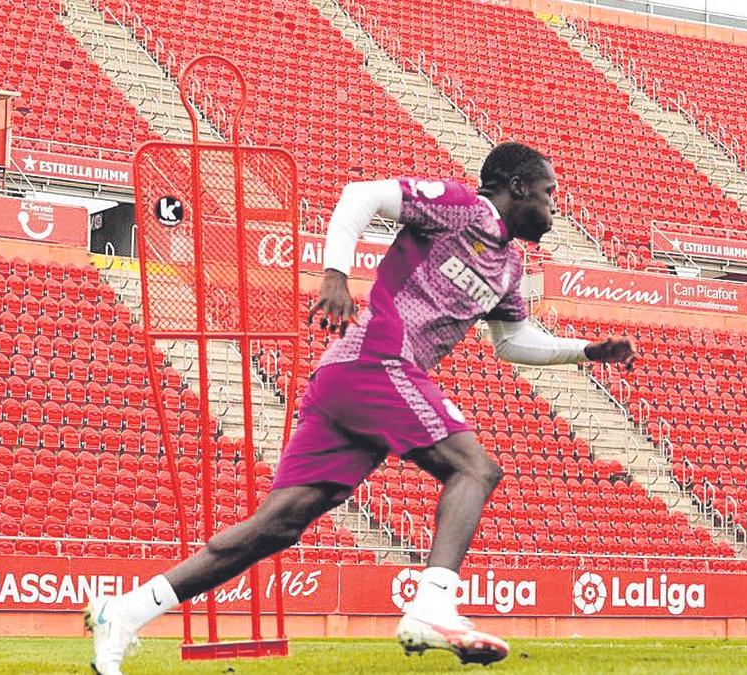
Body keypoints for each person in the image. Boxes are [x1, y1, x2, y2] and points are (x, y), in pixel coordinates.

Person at [86, 142, 638, 672]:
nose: (553, 206)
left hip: (353, 379)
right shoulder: (460, 207)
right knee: (475, 468)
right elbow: (362, 194)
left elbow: (513, 342)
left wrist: (585, 352)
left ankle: (126, 611)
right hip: (377, 361)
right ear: (517, 188)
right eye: (549, 193)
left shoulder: (509, 267)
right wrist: (334, 274)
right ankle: (432, 607)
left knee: (278, 525)